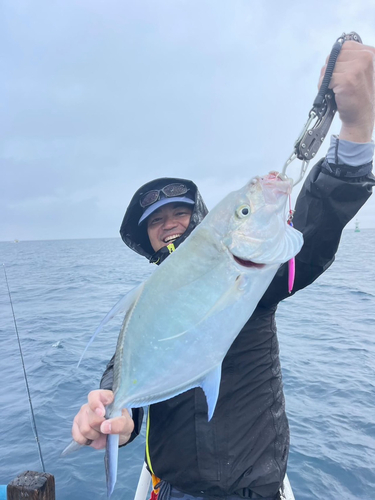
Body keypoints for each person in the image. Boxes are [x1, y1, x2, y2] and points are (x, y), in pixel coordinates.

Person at [71, 41, 375, 500]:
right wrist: (112, 413)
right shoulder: (148, 302)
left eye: (178, 213)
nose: (169, 225)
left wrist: (355, 133)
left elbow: (314, 228)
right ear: (146, 239)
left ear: (201, 219)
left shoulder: (257, 276)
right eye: (156, 221)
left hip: (253, 490)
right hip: (171, 489)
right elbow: (126, 365)